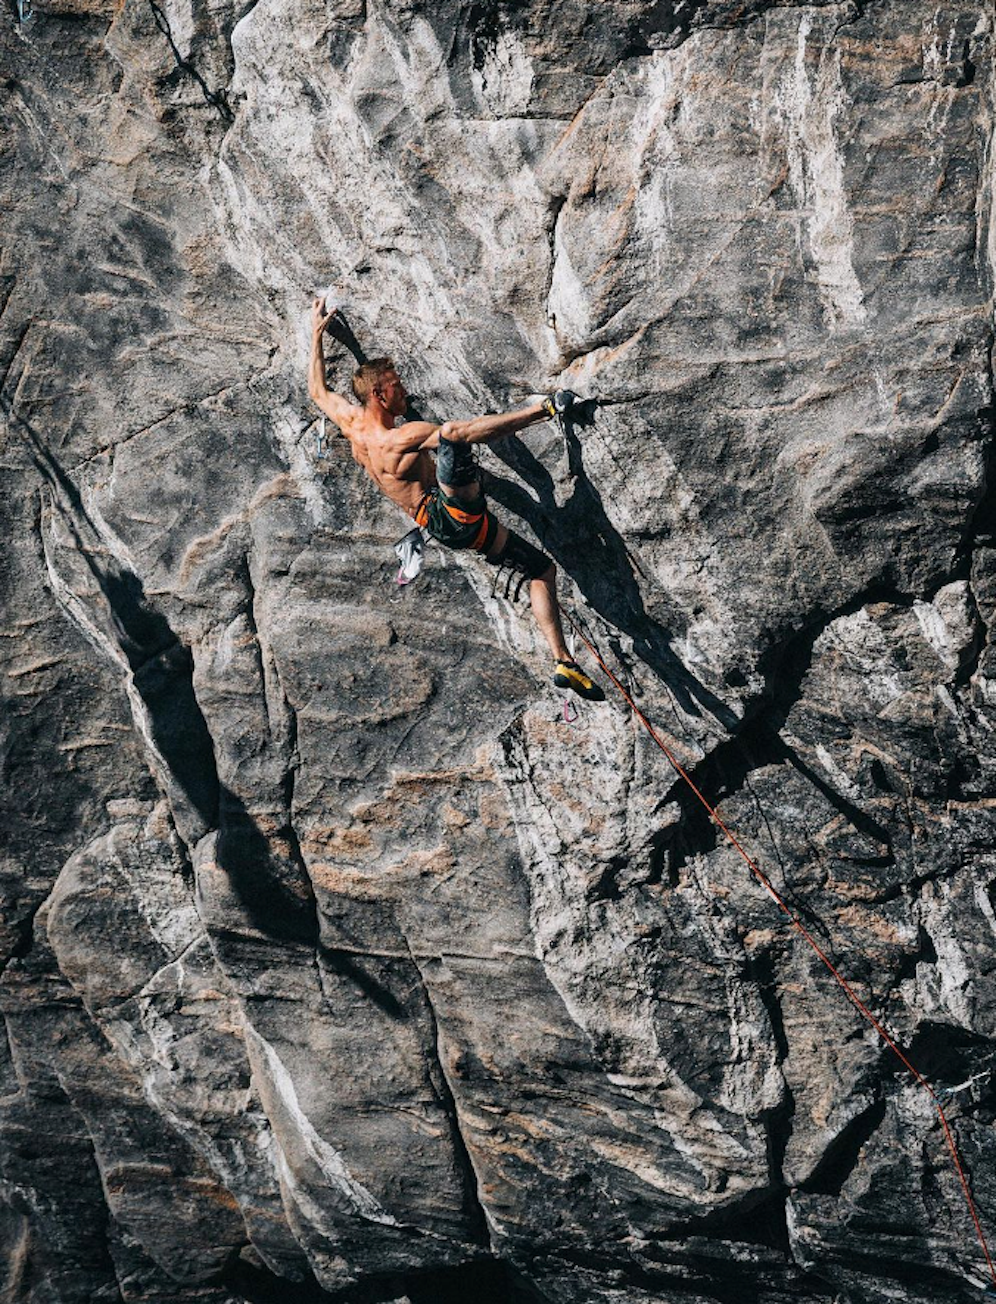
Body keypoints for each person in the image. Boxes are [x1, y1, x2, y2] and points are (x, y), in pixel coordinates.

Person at [307, 298, 604, 700]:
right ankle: (547, 407)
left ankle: (564, 661)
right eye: (397, 385)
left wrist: (316, 333)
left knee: (541, 570)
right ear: (379, 393)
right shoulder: (400, 438)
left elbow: (318, 390)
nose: (405, 390)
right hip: (450, 513)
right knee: (452, 434)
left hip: (446, 528)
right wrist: (544, 411)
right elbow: (463, 432)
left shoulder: (354, 426)